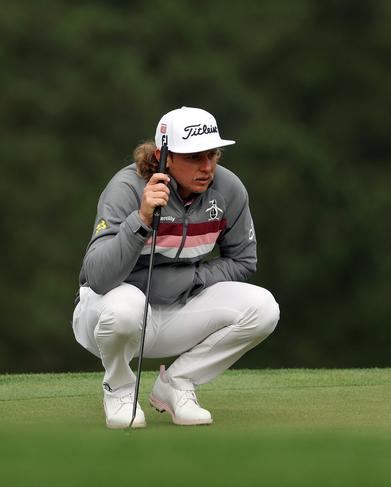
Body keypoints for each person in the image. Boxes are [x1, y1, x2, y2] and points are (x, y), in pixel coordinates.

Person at [72, 106, 279, 429]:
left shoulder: (228, 190)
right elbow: (96, 277)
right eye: (194, 157)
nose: (207, 167)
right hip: (107, 317)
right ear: (163, 156)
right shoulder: (126, 188)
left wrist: (190, 279)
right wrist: (140, 220)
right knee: (125, 307)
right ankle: (119, 388)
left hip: (175, 310)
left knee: (263, 307)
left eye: (213, 155)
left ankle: (178, 383)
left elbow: (244, 260)